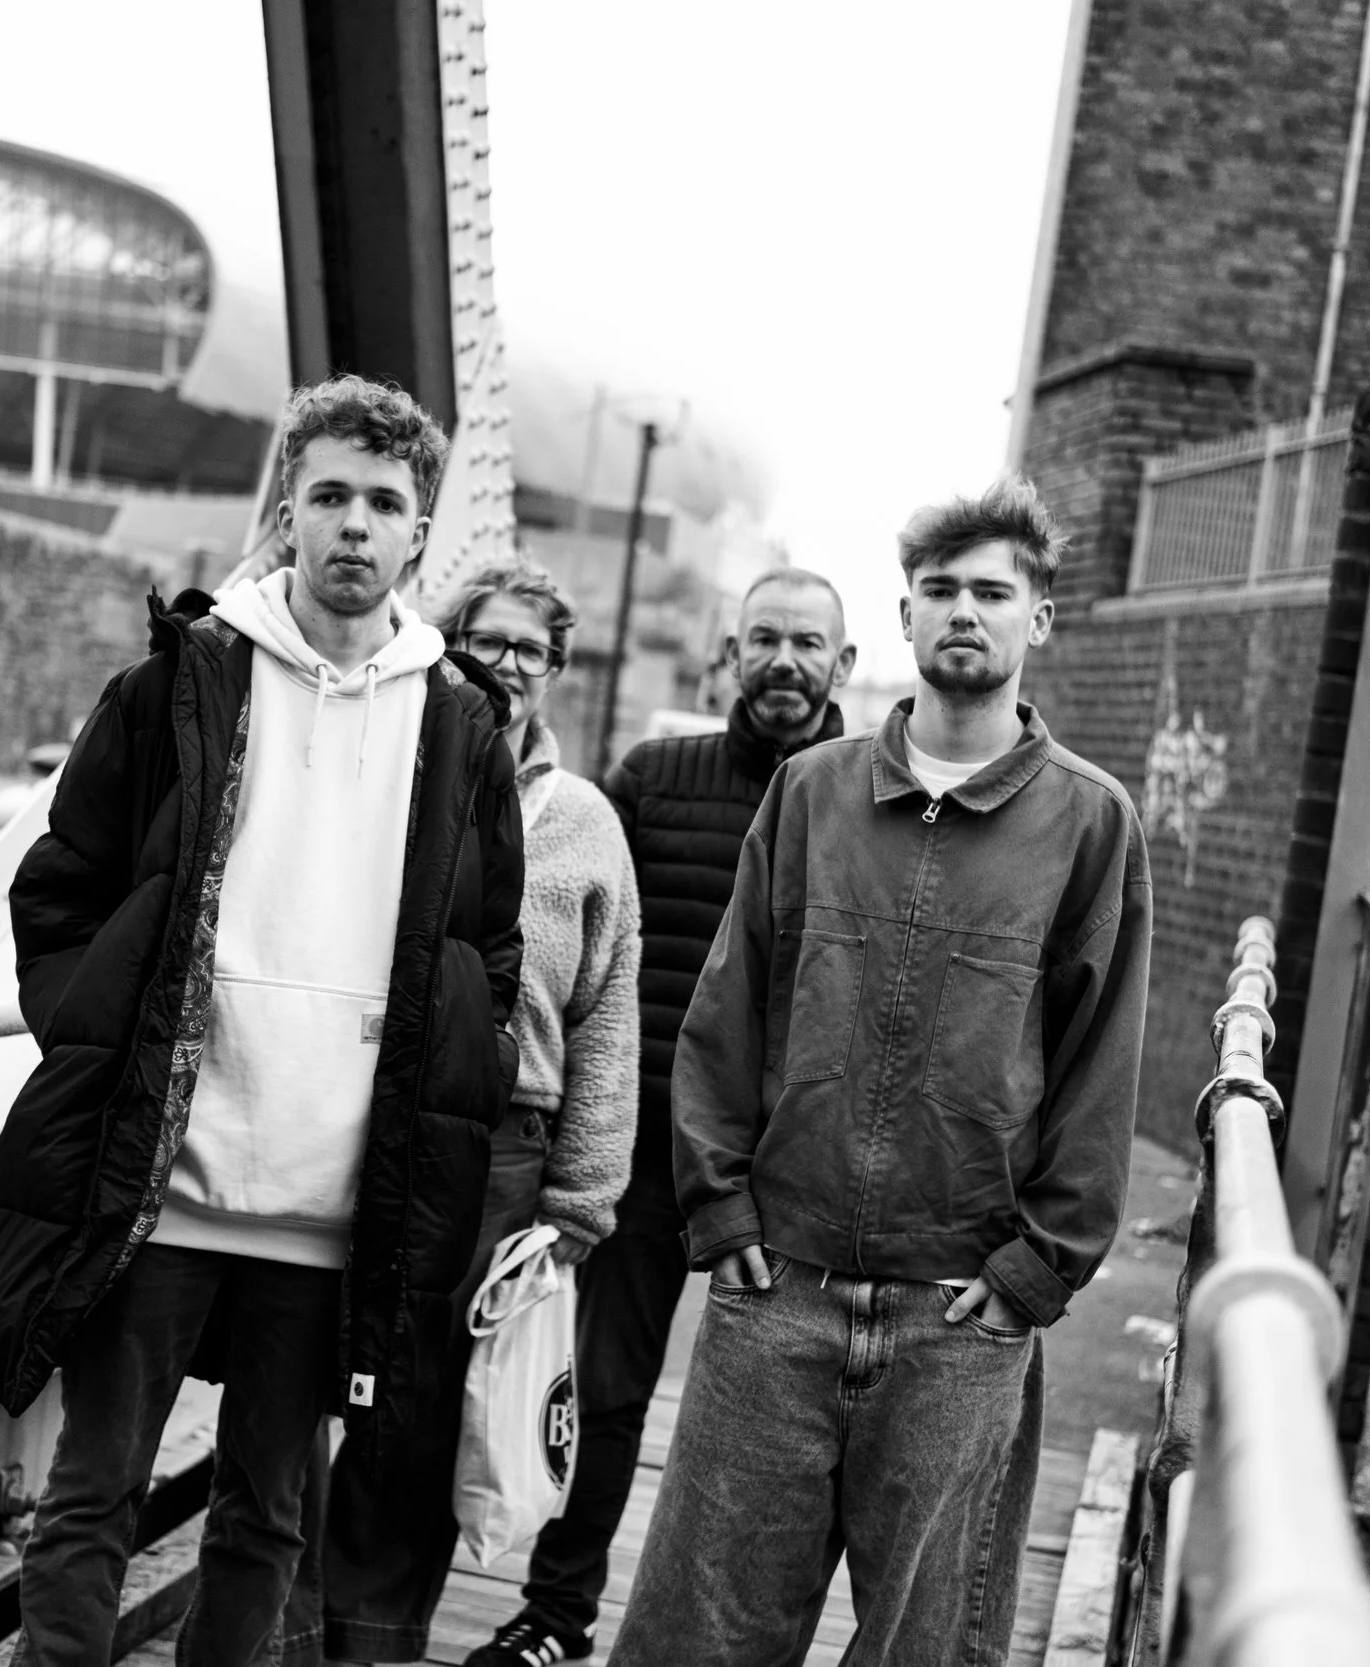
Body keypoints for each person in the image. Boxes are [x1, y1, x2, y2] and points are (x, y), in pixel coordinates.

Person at [0, 375, 525, 1667]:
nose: (355, 526)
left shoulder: (461, 722)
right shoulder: (181, 683)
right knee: (93, 1490)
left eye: (385, 503)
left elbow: (486, 946)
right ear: (286, 509)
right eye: (329, 495)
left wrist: (455, 1060)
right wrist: (100, 1037)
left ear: (419, 535)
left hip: (335, 1209)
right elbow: (61, 888)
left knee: (267, 1513)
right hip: (164, 1176)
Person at [608, 477, 1152, 1667]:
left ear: (1037, 621)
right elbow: (728, 1007)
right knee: (696, 1637)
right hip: (775, 1293)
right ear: (904, 617)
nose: (965, 610)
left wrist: (1033, 1271)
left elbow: (1099, 1065)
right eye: (941, 590)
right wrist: (718, 1202)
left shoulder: (1091, 823)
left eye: (992, 592)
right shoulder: (812, 792)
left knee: (926, 1647)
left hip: (959, 1314)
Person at [465, 565, 855, 1667]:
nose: (784, 660)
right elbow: (589, 956)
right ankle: (555, 1616)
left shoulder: (864, 795)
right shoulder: (651, 778)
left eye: (806, 642)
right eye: (763, 638)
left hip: (786, 1165)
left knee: (768, 1424)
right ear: (728, 656)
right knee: (604, 1388)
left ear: (844, 663)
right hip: (643, 1144)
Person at [311, 558, 642, 1663]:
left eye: (531, 650)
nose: (507, 666)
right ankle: (271, 1620)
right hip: (348, 1113)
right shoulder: (377, 775)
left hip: (503, 1147)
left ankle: (371, 1643)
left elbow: (605, 1015)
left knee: (424, 1413)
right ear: (443, 644)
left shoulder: (583, 822)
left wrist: (582, 1198)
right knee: (296, 1371)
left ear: (554, 672)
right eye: (486, 641)